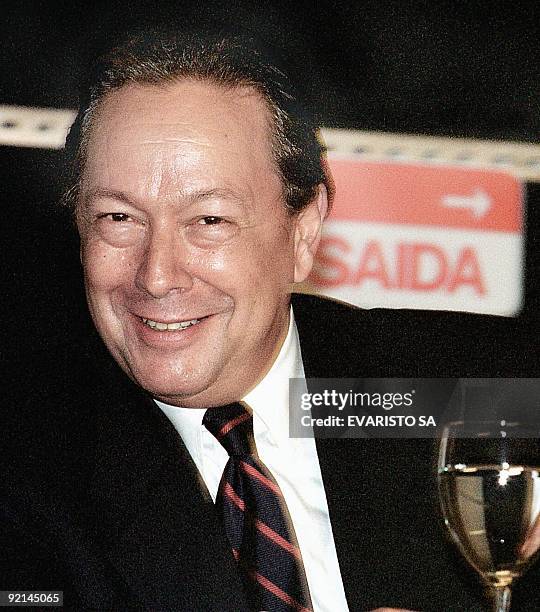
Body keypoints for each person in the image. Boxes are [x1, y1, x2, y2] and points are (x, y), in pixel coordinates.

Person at [1, 28, 538, 611]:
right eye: (118, 217)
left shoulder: (459, 393)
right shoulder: (30, 461)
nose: (156, 275)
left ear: (302, 232)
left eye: (209, 221)